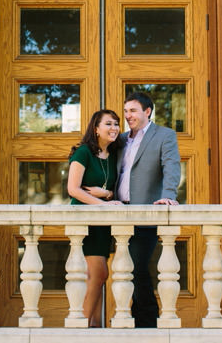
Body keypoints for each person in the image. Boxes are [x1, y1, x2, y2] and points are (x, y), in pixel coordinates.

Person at [115, 91, 180, 328]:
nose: (128, 115)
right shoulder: (120, 139)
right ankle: (130, 319)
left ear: (147, 111)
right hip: (116, 215)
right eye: (125, 111)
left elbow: (171, 166)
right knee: (120, 270)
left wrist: (168, 196)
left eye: (132, 110)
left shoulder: (164, 135)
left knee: (137, 267)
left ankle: (147, 322)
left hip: (144, 214)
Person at [67, 109, 124, 327]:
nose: (114, 128)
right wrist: (105, 204)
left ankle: (95, 327)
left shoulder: (114, 155)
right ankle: (79, 326)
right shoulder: (83, 153)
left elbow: (108, 191)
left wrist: (107, 195)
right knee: (99, 273)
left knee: (97, 276)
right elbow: (73, 189)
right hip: (84, 220)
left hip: (103, 223)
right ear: (96, 128)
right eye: (108, 124)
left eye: (117, 124)